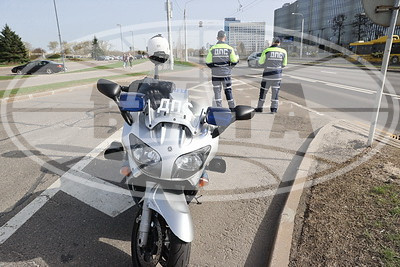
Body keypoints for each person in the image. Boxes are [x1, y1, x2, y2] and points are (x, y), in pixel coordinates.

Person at [206, 30, 239, 110]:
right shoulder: (229, 48)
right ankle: (232, 108)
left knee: (217, 91)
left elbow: (208, 61)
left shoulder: (212, 48)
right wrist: (230, 67)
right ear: (225, 38)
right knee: (228, 91)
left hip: (215, 74)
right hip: (226, 74)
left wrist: (214, 68)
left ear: (217, 38)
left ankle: (219, 108)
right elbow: (234, 61)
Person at [255, 38, 287, 113]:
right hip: (277, 76)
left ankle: (260, 108)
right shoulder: (283, 51)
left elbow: (260, 62)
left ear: (272, 42)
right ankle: (274, 109)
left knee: (263, 92)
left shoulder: (266, 51)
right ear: (279, 43)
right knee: (275, 92)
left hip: (267, 75)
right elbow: (284, 64)